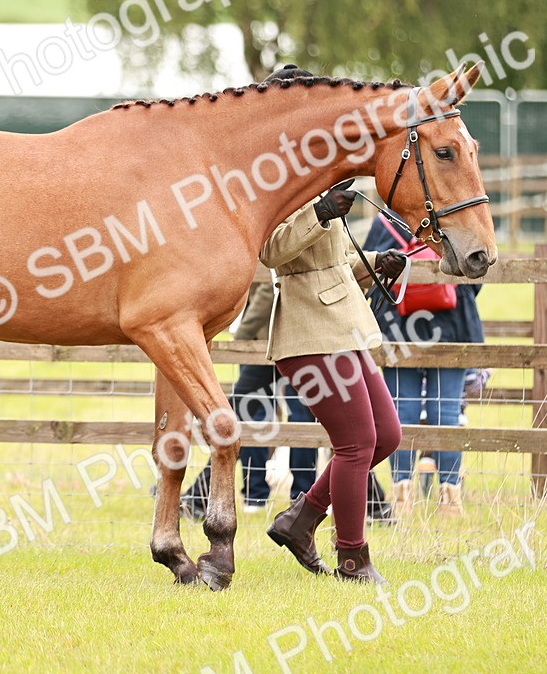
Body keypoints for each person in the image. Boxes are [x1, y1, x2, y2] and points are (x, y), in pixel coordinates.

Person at [262, 182, 407, 584]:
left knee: (386, 436)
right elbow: (271, 251)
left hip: (344, 329)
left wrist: (378, 261)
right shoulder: (283, 185)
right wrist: (320, 212)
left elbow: (338, 260)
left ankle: (302, 517)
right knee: (356, 444)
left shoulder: (326, 183)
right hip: (308, 331)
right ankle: (352, 560)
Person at [364, 210, 485, 515]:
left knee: (400, 409)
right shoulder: (456, 215)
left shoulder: (386, 223)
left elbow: (370, 271)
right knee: (445, 409)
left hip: (398, 325)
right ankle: (449, 496)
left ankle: (402, 492)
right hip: (452, 323)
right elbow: (476, 268)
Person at [179, 282, 316, 519]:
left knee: (240, 414)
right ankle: (291, 496)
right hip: (292, 341)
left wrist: (241, 337)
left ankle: (225, 495)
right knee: (284, 416)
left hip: (266, 344)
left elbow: (265, 293)